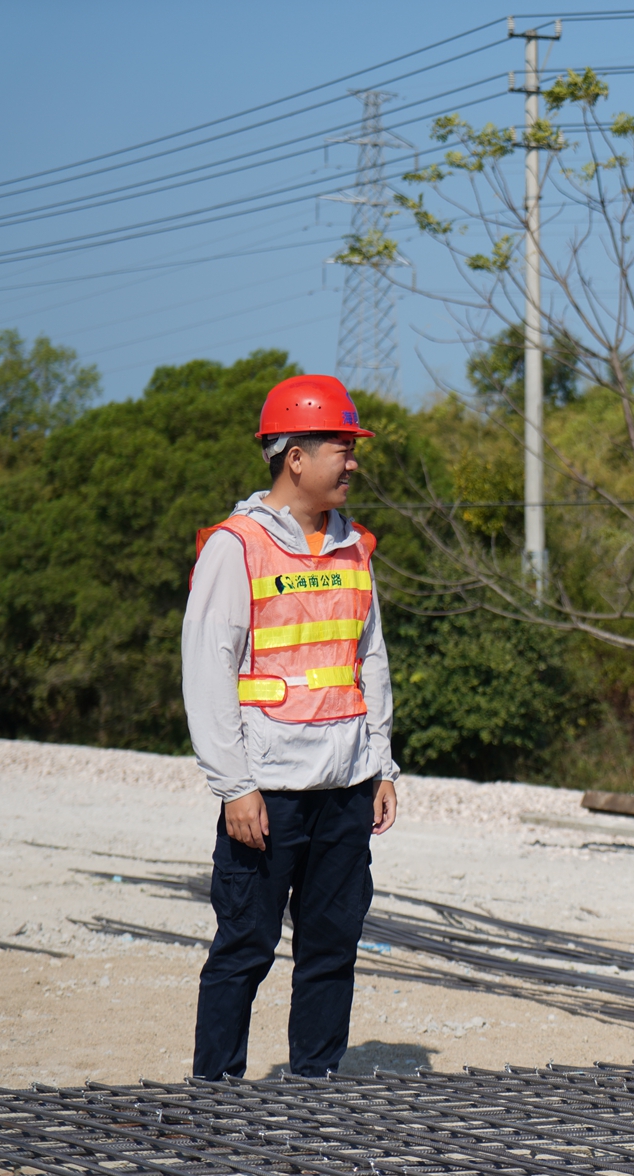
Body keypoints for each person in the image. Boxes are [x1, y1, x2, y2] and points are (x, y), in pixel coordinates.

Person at [182, 374, 400, 1079]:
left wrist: (380, 765)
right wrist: (233, 784)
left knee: (332, 946)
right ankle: (215, 1097)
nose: (353, 460)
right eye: (342, 445)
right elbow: (208, 672)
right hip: (268, 790)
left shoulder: (354, 546)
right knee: (245, 945)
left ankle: (315, 1091)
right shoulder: (236, 545)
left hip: (342, 786)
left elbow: (370, 659)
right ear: (294, 457)